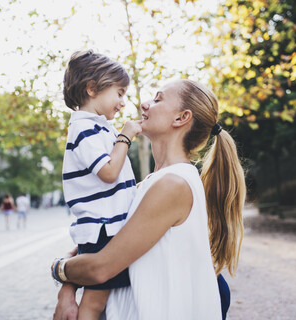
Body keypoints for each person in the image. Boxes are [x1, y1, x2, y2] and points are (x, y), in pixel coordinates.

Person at [52, 79, 246, 320]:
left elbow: (101, 267)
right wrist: (67, 291)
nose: (144, 104)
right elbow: (96, 244)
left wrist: (58, 269)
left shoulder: (172, 185)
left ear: (181, 118)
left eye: (157, 99)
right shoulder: (150, 184)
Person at [58, 49, 142, 320]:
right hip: (102, 229)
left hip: (108, 227)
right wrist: (125, 137)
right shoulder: (85, 129)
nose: (122, 103)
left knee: (100, 302)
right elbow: (108, 173)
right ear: (92, 88)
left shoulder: (99, 127)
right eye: (119, 93)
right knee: (94, 303)